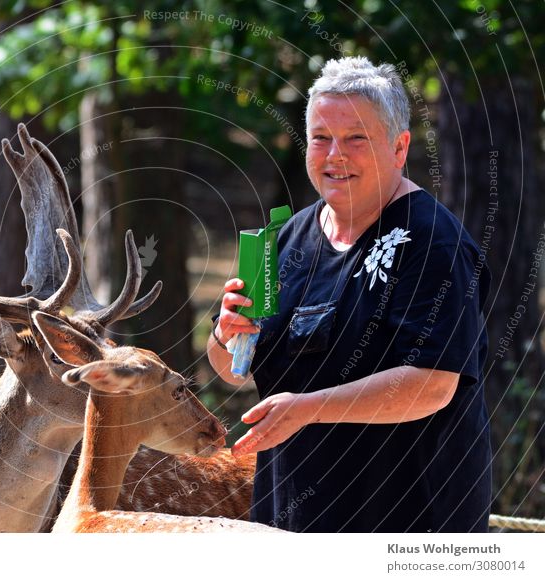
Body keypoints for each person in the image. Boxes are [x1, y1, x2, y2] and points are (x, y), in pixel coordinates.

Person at [207, 56, 492, 532]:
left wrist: (309, 409)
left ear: (399, 147)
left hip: (408, 523)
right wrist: (225, 335)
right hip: (292, 518)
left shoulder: (432, 242)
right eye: (321, 137)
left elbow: (432, 385)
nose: (335, 154)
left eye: (356, 138)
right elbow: (235, 371)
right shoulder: (287, 240)